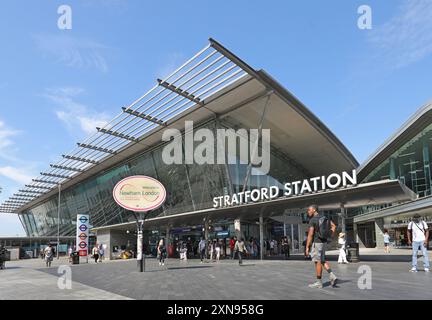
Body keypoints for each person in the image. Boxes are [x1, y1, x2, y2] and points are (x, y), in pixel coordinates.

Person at [305, 205, 338, 289]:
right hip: (324, 243)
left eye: (309, 210)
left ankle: (319, 283)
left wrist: (307, 247)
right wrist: (330, 236)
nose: (308, 211)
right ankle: (332, 275)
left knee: (317, 261)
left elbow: (310, 234)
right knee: (322, 260)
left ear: (314, 210)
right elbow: (334, 226)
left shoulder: (313, 220)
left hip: (317, 243)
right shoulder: (324, 218)